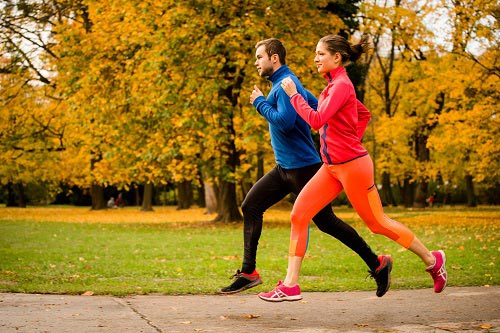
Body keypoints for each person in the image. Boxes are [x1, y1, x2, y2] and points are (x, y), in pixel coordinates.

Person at [258, 34, 447, 301]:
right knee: (299, 215)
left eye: (320, 54)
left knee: (377, 223)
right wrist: (346, 139)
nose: (315, 58)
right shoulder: (332, 85)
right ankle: (290, 285)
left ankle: (433, 259)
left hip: (353, 167)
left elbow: (316, 120)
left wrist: (294, 96)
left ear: (336, 57)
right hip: (332, 166)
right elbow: (363, 113)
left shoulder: (341, 86)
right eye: (315, 53)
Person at [220, 38, 393, 300]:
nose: (256, 62)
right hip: (284, 169)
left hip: (304, 169)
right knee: (251, 205)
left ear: (274, 58)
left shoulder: (285, 84)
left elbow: (285, 123)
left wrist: (259, 102)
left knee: (328, 224)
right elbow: (314, 106)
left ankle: (377, 263)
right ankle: (248, 273)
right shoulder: (285, 84)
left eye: (259, 57)